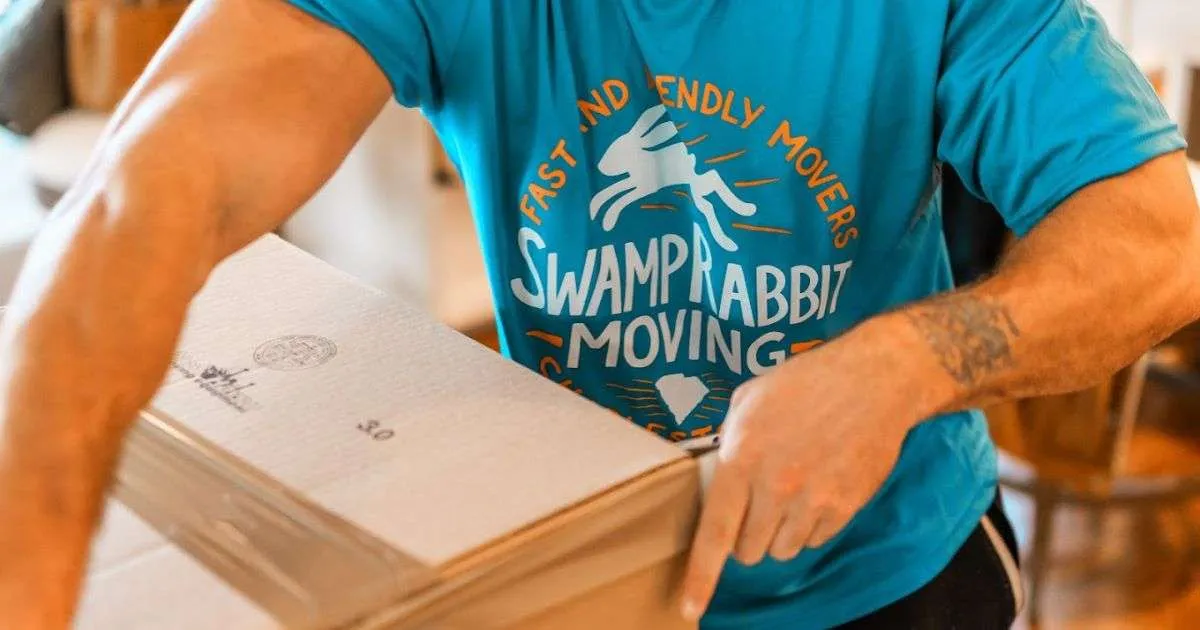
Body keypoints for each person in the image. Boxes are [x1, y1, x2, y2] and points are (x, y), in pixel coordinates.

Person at [2, 0, 1198, 628]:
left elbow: (1161, 241)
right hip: (594, 567)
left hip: (894, 582)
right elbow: (142, 196)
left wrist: (906, 364)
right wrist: (27, 574)